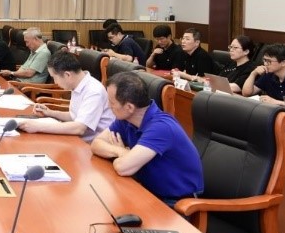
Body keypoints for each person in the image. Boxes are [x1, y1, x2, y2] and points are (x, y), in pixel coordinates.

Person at [91, 72, 204, 205]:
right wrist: (121, 151)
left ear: (129, 107)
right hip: (145, 191)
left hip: (176, 203)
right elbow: (96, 143)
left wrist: (123, 157)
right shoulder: (126, 119)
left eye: (111, 102)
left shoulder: (161, 127)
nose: (109, 106)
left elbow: (123, 168)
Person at [18, 50, 115, 141]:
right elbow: (74, 116)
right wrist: (49, 113)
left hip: (90, 145)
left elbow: (79, 128)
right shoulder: (78, 84)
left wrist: (38, 126)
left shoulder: (93, 91)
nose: (55, 82)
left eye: (54, 77)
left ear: (67, 75)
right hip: (77, 139)